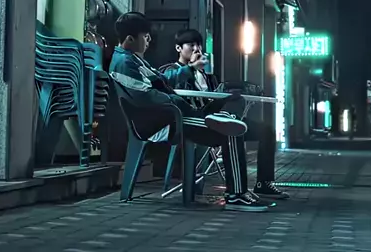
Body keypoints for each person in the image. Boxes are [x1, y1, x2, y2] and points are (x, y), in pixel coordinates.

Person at [109, 12, 269, 212]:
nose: (149, 41)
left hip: (175, 116)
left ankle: (238, 186)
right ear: (130, 39)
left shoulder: (134, 60)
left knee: (232, 110)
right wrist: (178, 101)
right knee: (230, 131)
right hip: (165, 121)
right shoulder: (124, 63)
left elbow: (162, 81)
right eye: (146, 36)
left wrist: (190, 70)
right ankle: (236, 195)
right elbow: (146, 97)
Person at [160, 28, 289, 200]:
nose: (197, 49)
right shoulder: (173, 70)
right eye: (191, 45)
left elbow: (215, 98)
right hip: (194, 120)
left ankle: (264, 183)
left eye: (199, 45)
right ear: (179, 48)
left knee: (265, 130)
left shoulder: (207, 76)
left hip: (214, 117)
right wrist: (191, 68)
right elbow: (165, 81)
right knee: (232, 131)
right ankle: (236, 190)